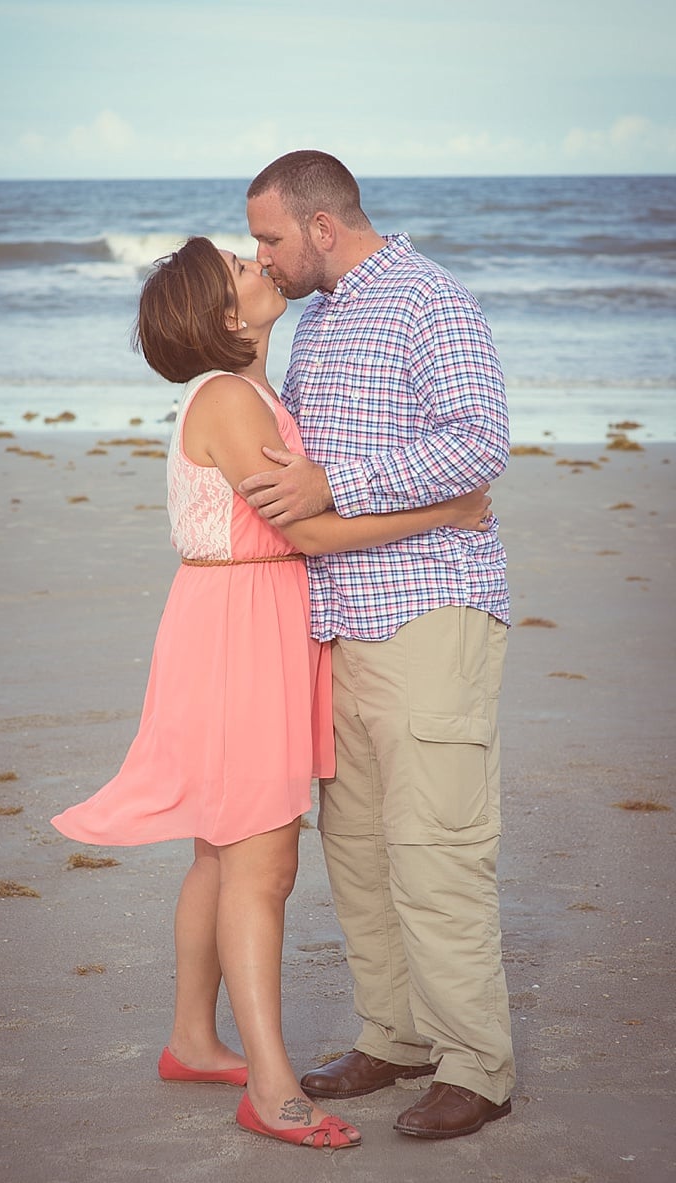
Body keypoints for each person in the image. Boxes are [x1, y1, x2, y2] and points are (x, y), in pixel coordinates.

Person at [51, 235, 492, 1150]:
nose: (263, 270)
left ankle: (190, 1039)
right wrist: (449, 511)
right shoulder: (227, 397)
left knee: (221, 854)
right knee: (262, 866)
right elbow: (317, 530)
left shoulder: (253, 389)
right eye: (244, 271)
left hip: (239, 625)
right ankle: (273, 1086)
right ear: (225, 316)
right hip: (240, 634)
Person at [238, 150, 512, 1140]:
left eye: (268, 236)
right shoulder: (318, 317)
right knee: (356, 854)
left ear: (320, 225)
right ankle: (391, 1036)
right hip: (336, 625)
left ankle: (476, 1064)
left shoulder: (429, 299)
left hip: (431, 613)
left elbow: (479, 439)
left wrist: (337, 483)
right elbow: (292, 459)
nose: (258, 254)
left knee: (436, 849)